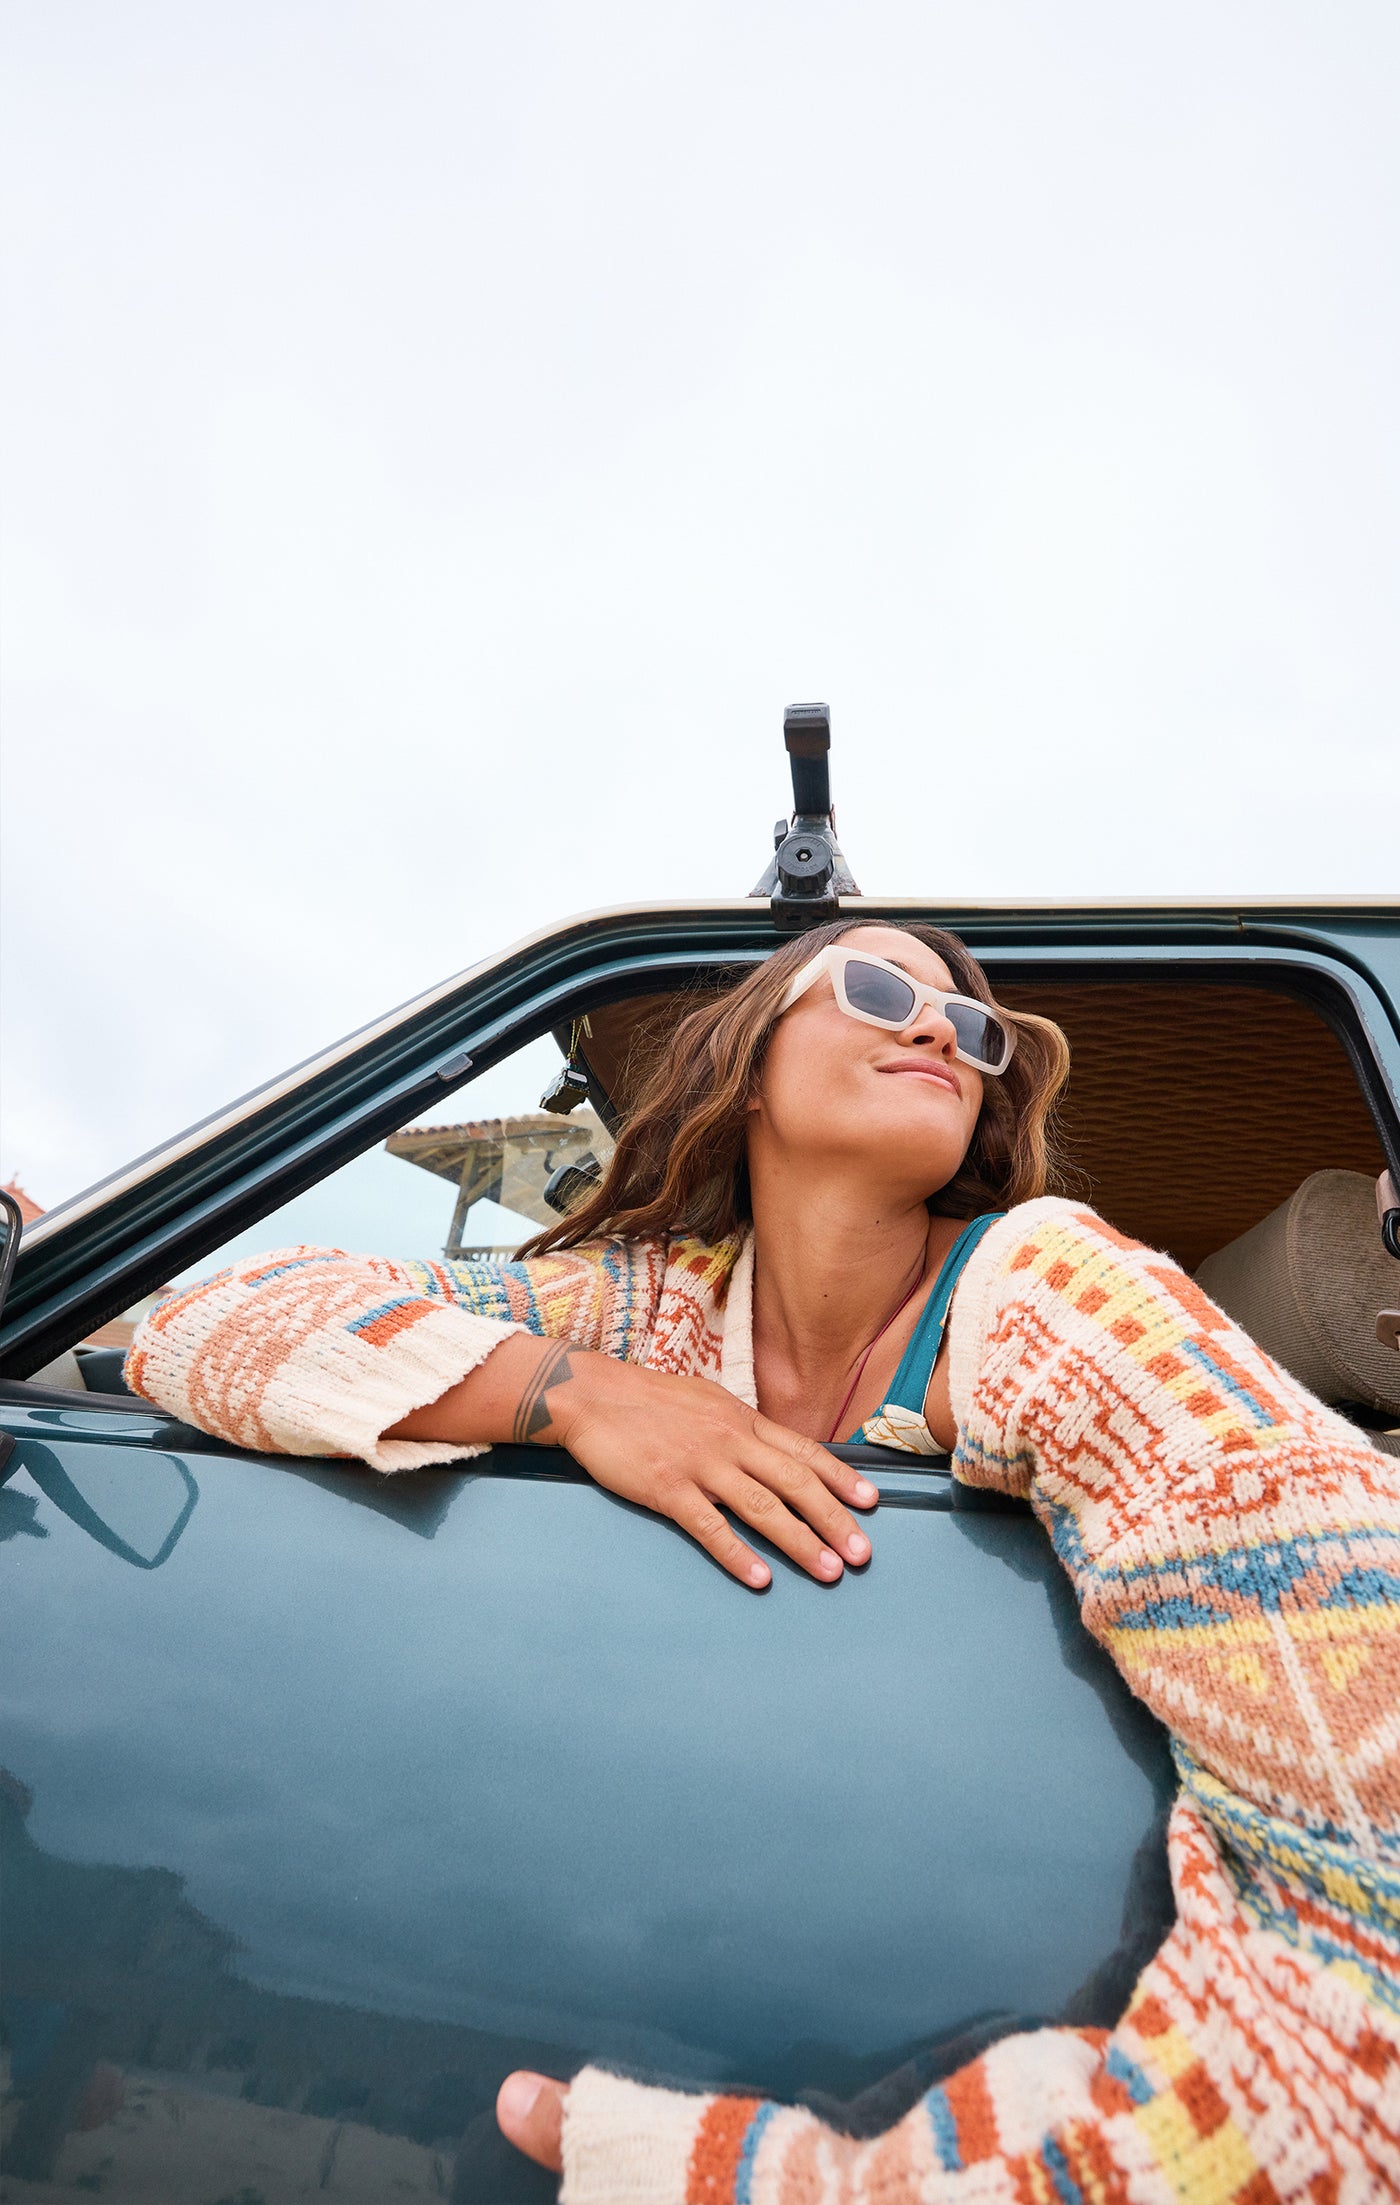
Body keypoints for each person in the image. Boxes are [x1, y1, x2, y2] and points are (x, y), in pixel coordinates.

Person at [127, 922, 1400, 2203]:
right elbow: (202, 1320)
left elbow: (1370, 1808)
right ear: (746, 1069)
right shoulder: (643, 1302)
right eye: (876, 989)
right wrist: (573, 1391)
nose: (936, 1028)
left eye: (971, 1028)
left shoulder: (1053, 1290)